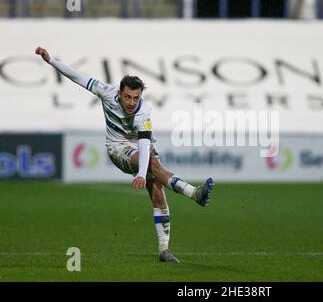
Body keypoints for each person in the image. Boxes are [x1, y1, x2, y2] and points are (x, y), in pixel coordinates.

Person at [35, 47, 213, 263]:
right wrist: (50, 60)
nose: (131, 103)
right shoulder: (106, 92)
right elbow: (77, 77)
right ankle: (194, 193)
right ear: (119, 93)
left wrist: (142, 173)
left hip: (141, 148)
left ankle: (164, 251)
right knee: (153, 166)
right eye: (127, 97)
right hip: (118, 148)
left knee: (157, 192)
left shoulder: (144, 112)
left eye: (135, 98)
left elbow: (145, 145)